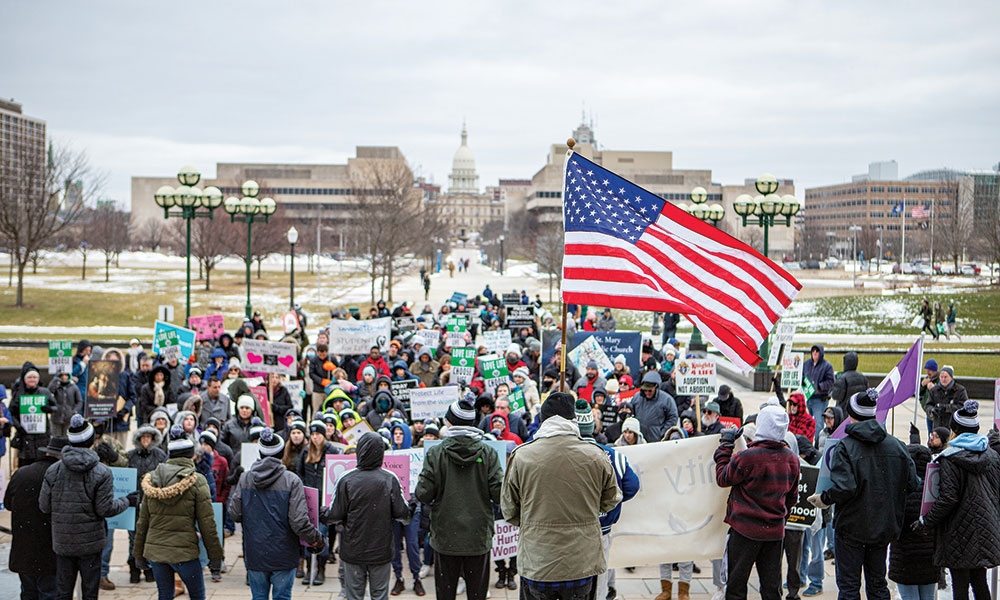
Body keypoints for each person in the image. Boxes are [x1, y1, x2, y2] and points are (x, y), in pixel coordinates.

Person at [501, 392, 622, 600]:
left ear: (543, 419)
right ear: (573, 419)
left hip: (538, 560)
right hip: (581, 562)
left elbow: (509, 509)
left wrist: (533, 518)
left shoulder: (522, 456)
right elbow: (612, 499)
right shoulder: (595, 455)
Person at [807, 389, 920, 600]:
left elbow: (844, 489)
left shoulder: (845, 447)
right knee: (878, 585)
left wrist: (825, 498)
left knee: (849, 588)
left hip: (852, 528)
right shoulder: (897, 446)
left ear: (852, 415)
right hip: (883, 527)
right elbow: (913, 483)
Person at [39, 414, 138, 600]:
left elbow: (44, 506)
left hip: (63, 542)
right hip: (91, 544)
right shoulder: (102, 472)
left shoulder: (53, 470)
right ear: (91, 441)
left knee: (63, 592)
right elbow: (105, 509)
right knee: (90, 593)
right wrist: (127, 501)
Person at [415, 399, 504, 600]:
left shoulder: (436, 453)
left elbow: (423, 493)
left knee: (445, 594)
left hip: (446, 537)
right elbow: (499, 495)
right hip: (478, 536)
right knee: (477, 593)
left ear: (450, 423)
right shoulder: (488, 453)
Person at [714, 406, 800, 600]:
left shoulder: (748, 457)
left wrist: (725, 446)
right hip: (774, 532)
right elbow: (792, 498)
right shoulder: (791, 459)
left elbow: (722, 477)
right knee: (771, 588)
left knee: (736, 586)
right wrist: (778, 517)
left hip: (745, 530)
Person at [916, 401, 1000, 600]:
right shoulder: (992, 455)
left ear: (954, 430)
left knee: (960, 586)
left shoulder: (950, 458)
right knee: (980, 582)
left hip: (958, 532)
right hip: (986, 527)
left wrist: (926, 521)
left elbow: (948, 498)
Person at [229, 427, 326, 600]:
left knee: (258, 597)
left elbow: (235, 514)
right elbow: (298, 521)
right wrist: (316, 539)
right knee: (282, 597)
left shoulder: (246, 478)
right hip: (284, 552)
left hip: (255, 551)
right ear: (281, 454)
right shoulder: (291, 480)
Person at [133, 425, 224, 600]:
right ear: (191, 454)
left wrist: (138, 554)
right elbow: (208, 524)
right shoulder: (197, 481)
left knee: (164, 595)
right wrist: (215, 557)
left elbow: (143, 521)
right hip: (185, 553)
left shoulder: (152, 479)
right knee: (197, 596)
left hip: (157, 552)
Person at [323, 432, 411, 600]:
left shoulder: (346, 479)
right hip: (381, 549)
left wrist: (321, 513)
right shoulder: (389, 479)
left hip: (353, 549)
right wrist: (411, 505)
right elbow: (402, 514)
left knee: (354, 596)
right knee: (379, 595)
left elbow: (334, 514)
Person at [575, 400, 640, 600]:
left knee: (576, 581)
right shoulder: (614, 455)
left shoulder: (565, 455)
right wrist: (610, 505)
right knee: (600, 583)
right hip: (602, 527)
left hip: (573, 530)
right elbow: (632, 486)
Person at [5, 436, 66, 600]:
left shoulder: (21, 473)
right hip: (49, 549)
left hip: (23, 548)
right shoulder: (61, 476)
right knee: (49, 593)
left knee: (28, 592)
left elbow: (8, 504)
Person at [888, 440, 936, 600]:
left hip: (905, 558)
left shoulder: (900, 489)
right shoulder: (935, 490)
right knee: (928, 596)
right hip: (929, 557)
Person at [126, 424, 168, 584]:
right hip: (134, 503)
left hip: (153, 503)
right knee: (134, 538)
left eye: (148, 437)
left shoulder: (160, 455)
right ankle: (134, 569)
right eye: (143, 437)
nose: (145, 440)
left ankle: (150, 569)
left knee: (151, 538)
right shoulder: (130, 455)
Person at [9, 364, 56, 467]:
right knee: (25, 465)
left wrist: (49, 409)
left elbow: (55, 407)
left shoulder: (45, 392)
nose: (32, 379)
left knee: (41, 463)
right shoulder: (19, 394)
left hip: (42, 435)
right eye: (29, 377)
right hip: (25, 435)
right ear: (24, 379)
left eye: (34, 377)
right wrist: (18, 426)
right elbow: (11, 412)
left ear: (38, 379)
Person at [631, 371, 678, 442]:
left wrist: (662, 432)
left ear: (656, 387)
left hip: (657, 439)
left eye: (650, 390)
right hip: (639, 438)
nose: (647, 393)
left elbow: (673, 417)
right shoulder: (637, 398)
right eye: (645, 390)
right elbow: (632, 414)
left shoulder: (667, 399)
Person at [801, 345, 835, 443]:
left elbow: (831, 381)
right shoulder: (806, 364)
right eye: (813, 351)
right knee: (806, 421)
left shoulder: (827, 366)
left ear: (821, 353)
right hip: (808, 397)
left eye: (817, 351)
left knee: (819, 423)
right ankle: (807, 441)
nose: (815, 353)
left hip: (820, 399)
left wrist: (819, 387)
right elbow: (802, 376)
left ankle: (817, 443)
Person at [919, 360, 940, 434]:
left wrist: (934, 388)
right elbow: (919, 393)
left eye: (929, 370)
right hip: (929, 411)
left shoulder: (940, 380)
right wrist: (922, 385)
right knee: (930, 433)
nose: (928, 372)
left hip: (938, 413)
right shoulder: (926, 379)